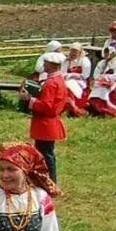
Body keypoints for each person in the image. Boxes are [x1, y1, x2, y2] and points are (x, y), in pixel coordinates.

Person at [26, 52, 73, 180]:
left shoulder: (51, 83)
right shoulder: (59, 80)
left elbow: (46, 106)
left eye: (46, 63)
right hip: (50, 123)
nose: (44, 65)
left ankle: (50, 180)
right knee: (47, 153)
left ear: (52, 65)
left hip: (45, 124)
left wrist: (30, 100)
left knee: (45, 154)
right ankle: (48, 179)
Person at [84, 45, 116, 118]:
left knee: (104, 91)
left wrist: (106, 78)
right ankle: (96, 109)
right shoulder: (102, 62)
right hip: (102, 81)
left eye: (108, 53)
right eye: (105, 53)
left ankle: (106, 109)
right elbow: (96, 74)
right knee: (95, 90)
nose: (107, 55)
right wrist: (101, 78)